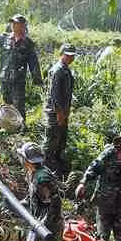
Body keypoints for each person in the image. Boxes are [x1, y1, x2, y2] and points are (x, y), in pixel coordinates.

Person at [17, 142, 63, 241]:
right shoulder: (32, 173)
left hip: (48, 229)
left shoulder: (42, 178)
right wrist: (20, 204)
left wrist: (42, 227)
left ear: (27, 160)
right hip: (38, 226)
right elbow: (34, 198)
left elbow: (54, 205)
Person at [44, 43, 76, 177]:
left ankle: (58, 166)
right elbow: (55, 94)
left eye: (72, 56)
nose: (70, 58)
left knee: (61, 140)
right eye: (67, 55)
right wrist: (59, 113)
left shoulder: (65, 70)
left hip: (63, 112)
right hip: (55, 113)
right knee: (52, 141)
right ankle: (47, 168)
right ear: (62, 54)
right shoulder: (58, 70)